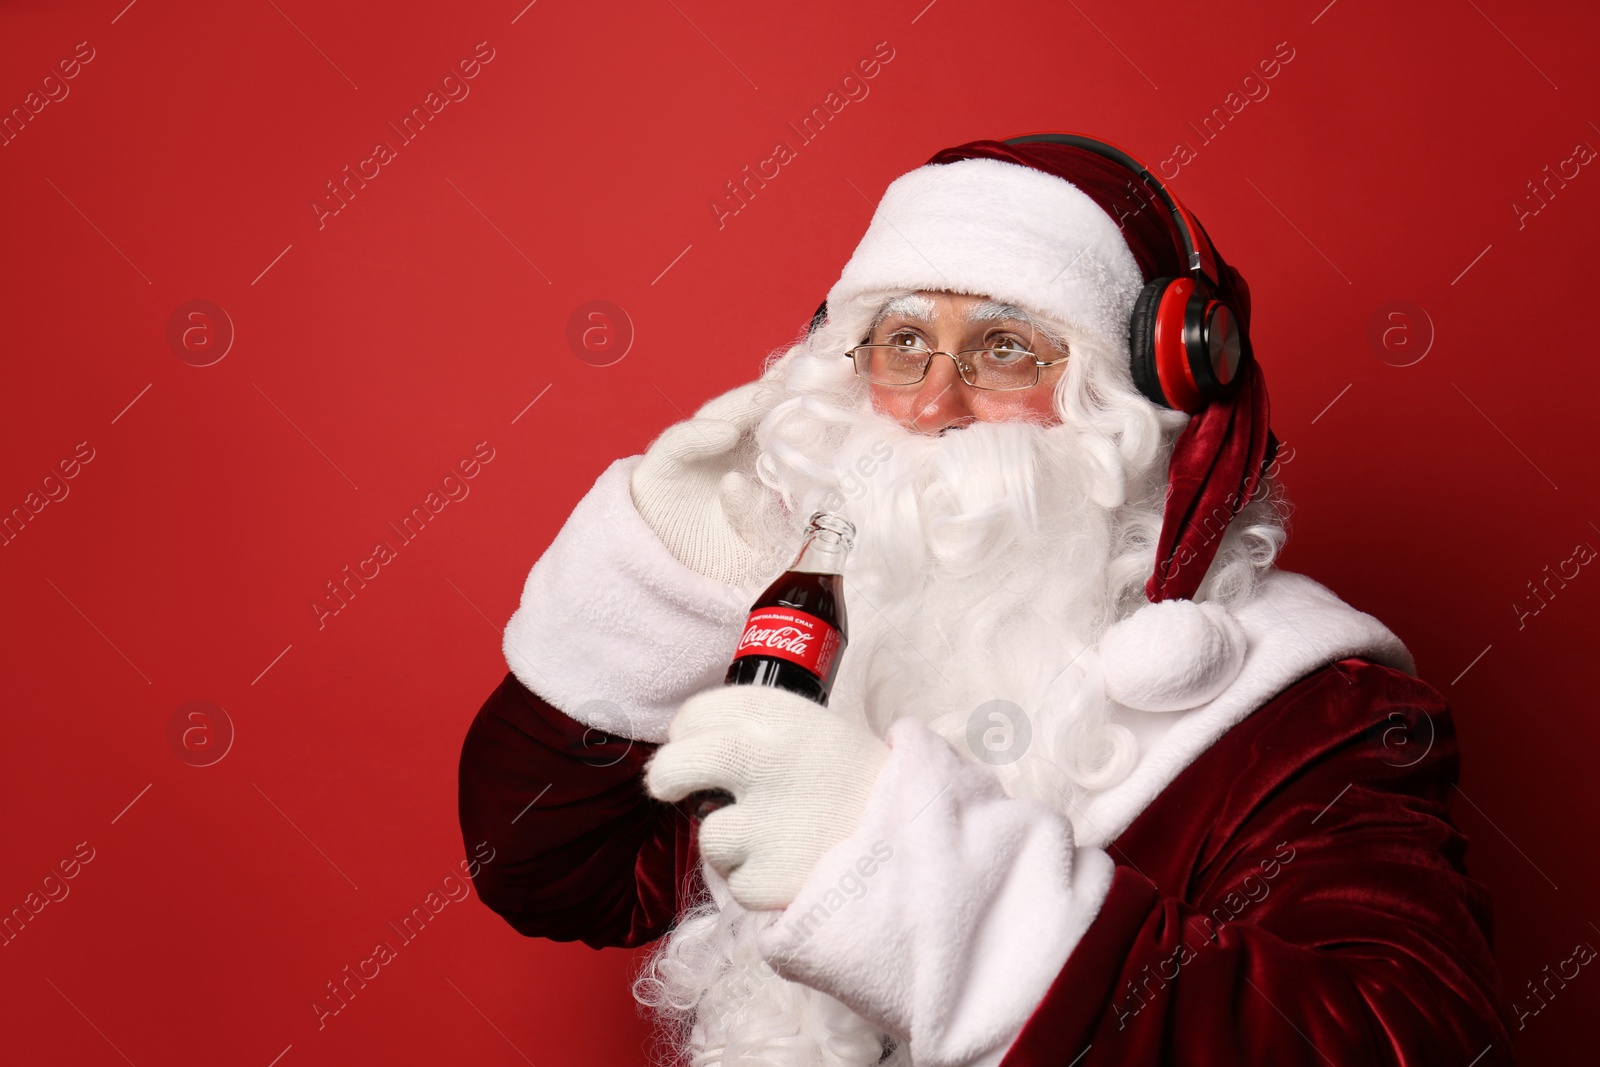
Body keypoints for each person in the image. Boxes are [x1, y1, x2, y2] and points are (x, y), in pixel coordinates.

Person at [457, 134, 1515, 1066]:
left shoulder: (1306, 712)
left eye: (1004, 348)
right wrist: (686, 573)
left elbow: (1405, 1035)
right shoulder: (829, 634)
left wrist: (897, 868)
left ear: (1139, 394)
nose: (931, 403)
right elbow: (545, 864)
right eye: (902, 341)